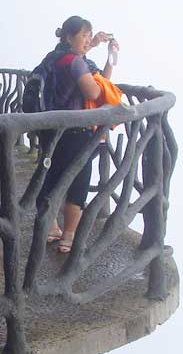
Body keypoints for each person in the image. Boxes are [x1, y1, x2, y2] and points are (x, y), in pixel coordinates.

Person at [36, 16, 120, 253]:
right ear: (69, 37)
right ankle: (69, 236)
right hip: (75, 131)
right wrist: (104, 81)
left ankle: (50, 227)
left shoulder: (53, 58)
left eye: (89, 35)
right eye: (83, 35)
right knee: (78, 183)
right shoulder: (75, 63)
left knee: (50, 177)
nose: (87, 39)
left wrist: (106, 56)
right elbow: (95, 91)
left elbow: (96, 79)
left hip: (49, 128)